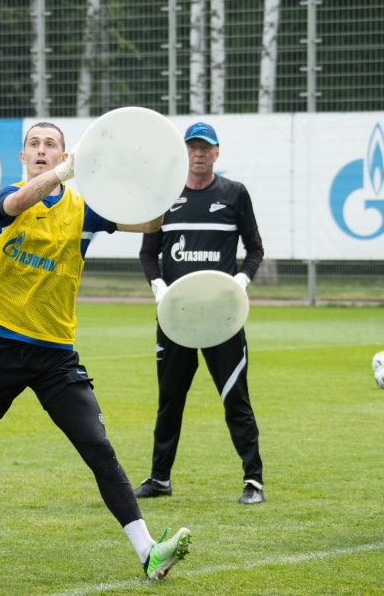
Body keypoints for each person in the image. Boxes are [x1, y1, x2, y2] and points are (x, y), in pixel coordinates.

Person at [0, 122, 192, 580]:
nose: (40, 150)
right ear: (23, 157)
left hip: (56, 355)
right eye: (33, 145)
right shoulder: (9, 196)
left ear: (63, 155)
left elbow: (148, 221)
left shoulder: (84, 209)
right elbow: (19, 203)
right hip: (1, 347)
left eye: (50, 145)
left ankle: (149, 552)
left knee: (98, 448)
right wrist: (69, 171)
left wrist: (160, 186)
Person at [134, 121, 266, 505]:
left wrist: (241, 280)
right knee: (170, 399)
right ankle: (160, 479)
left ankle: (253, 481)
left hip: (222, 319)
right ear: (184, 152)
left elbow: (255, 248)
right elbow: (148, 252)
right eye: (192, 147)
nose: (198, 153)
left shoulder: (234, 194)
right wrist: (157, 285)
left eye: (205, 147)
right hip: (175, 319)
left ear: (217, 152)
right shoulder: (164, 195)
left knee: (235, 398)